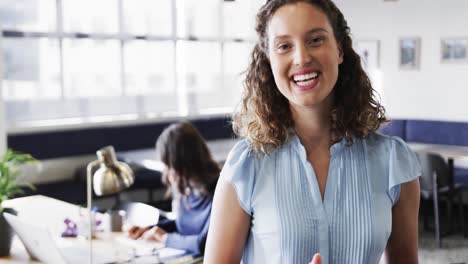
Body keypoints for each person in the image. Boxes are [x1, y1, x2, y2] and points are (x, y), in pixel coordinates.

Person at [205, 1, 421, 263]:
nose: (301, 58)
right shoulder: (247, 165)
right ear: (269, 60)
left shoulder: (393, 162)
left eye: (315, 40)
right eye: (284, 46)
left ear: (340, 49)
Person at [128, 121, 220, 256]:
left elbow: (204, 243)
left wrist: (164, 237)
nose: (165, 170)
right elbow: (184, 223)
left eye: (167, 164)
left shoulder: (219, 191)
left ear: (180, 163)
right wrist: (151, 228)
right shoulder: (188, 187)